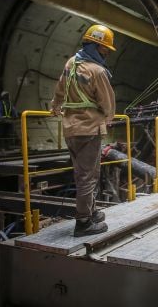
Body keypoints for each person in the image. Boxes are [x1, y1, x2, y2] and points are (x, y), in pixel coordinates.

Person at [51, 24, 116, 237]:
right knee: (89, 175)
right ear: (96, 46)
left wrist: (54, 106)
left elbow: (60, 90)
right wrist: (109, 118)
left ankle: (91, 211)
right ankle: (84, 222)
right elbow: (107, 103)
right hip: (89, 129)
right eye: (105, 48)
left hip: (71, 128)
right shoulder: (98, 71)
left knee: (82, 173)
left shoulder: (71, 62)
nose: (106, 52)